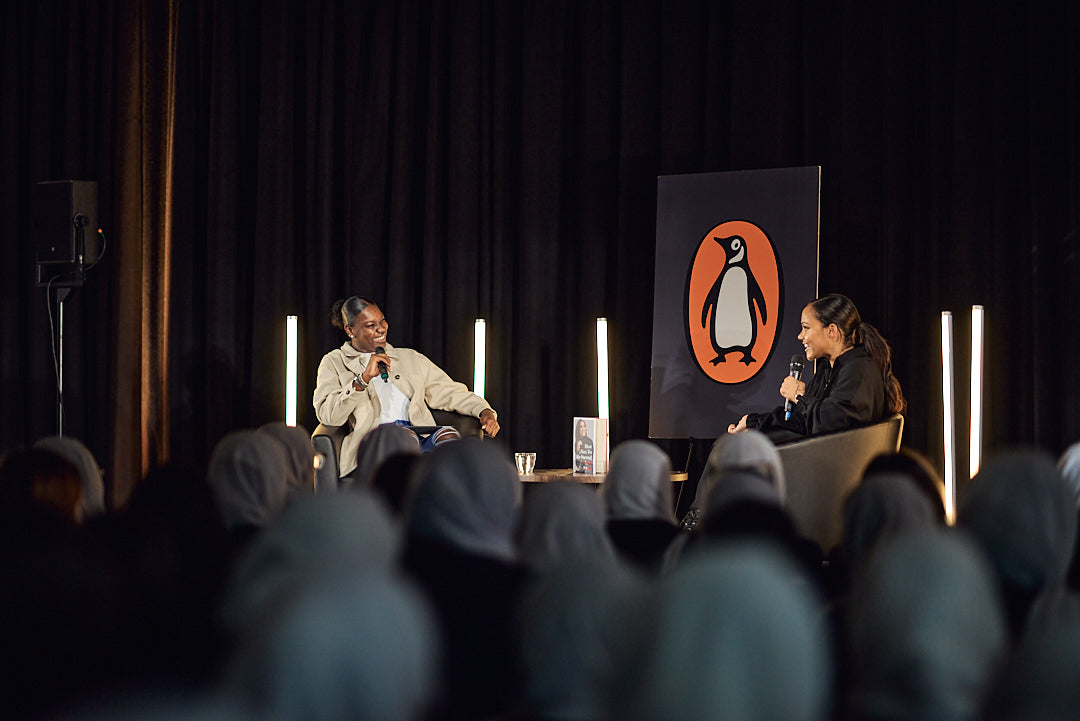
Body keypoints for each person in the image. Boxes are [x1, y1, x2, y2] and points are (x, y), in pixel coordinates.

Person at [313, 296, 500, 477]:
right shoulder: (334, 362)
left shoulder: (410, 358)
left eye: (382, 321)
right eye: (370, 325)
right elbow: (328, 415)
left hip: (419, 434)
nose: (381, 329)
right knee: (404, 438)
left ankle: (452, 493)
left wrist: (483, 410)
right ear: (350, 330)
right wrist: (362, 380)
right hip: (376, 442)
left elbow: (449, 392)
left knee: (448, 437)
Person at [728, 293, 905, 440]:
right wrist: (752, 422)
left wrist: (798, 396)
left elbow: (834, 423)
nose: (800, 336)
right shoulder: (827, 368)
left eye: (806, 328)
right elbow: (802, 421)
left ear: (831, 331)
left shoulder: (860, 369)